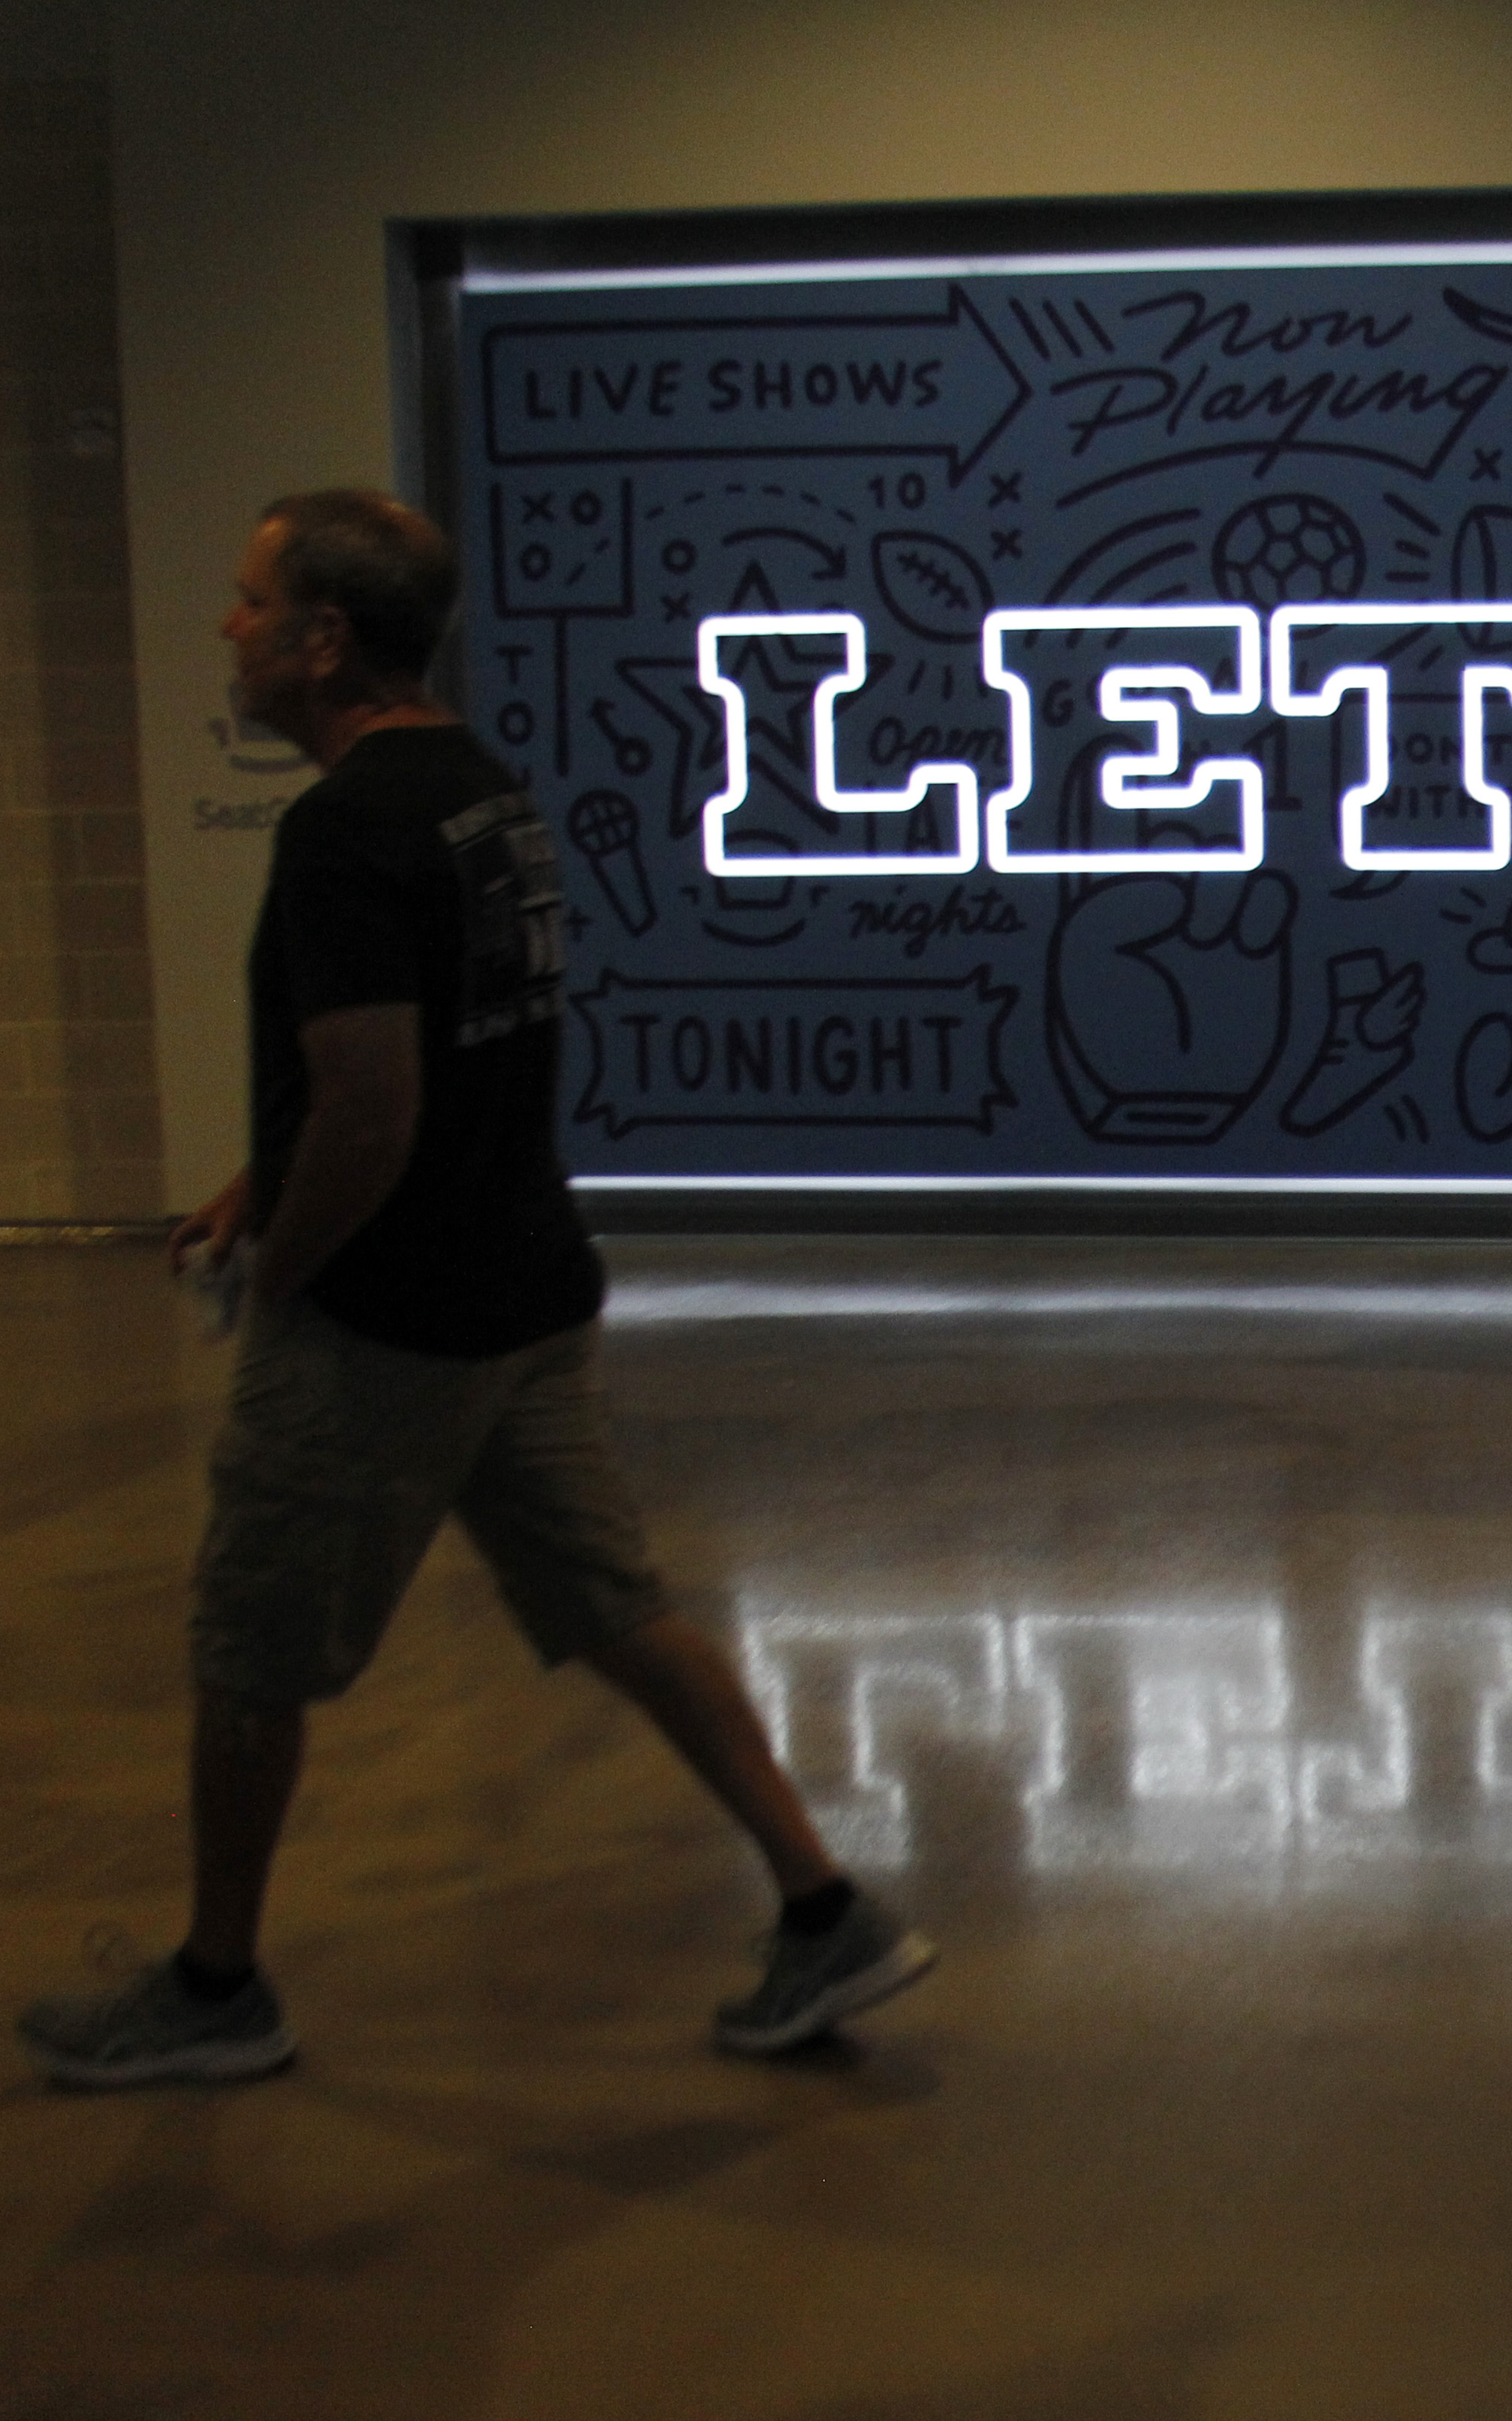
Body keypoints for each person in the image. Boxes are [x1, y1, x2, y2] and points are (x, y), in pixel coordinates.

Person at [16, 491, 933, 2088]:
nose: (222, 632)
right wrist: (260, 1171)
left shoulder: (342, 832)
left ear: (319, 640)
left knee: (248, 1652)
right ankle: (823, 1904)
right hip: (524, 1294)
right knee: (616, 1607)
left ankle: (217, 1989)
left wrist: (281, 1276)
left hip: (394, 1327)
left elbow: (374, 1108)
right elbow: (421, 1057)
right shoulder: (473, 789)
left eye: (246, 604)